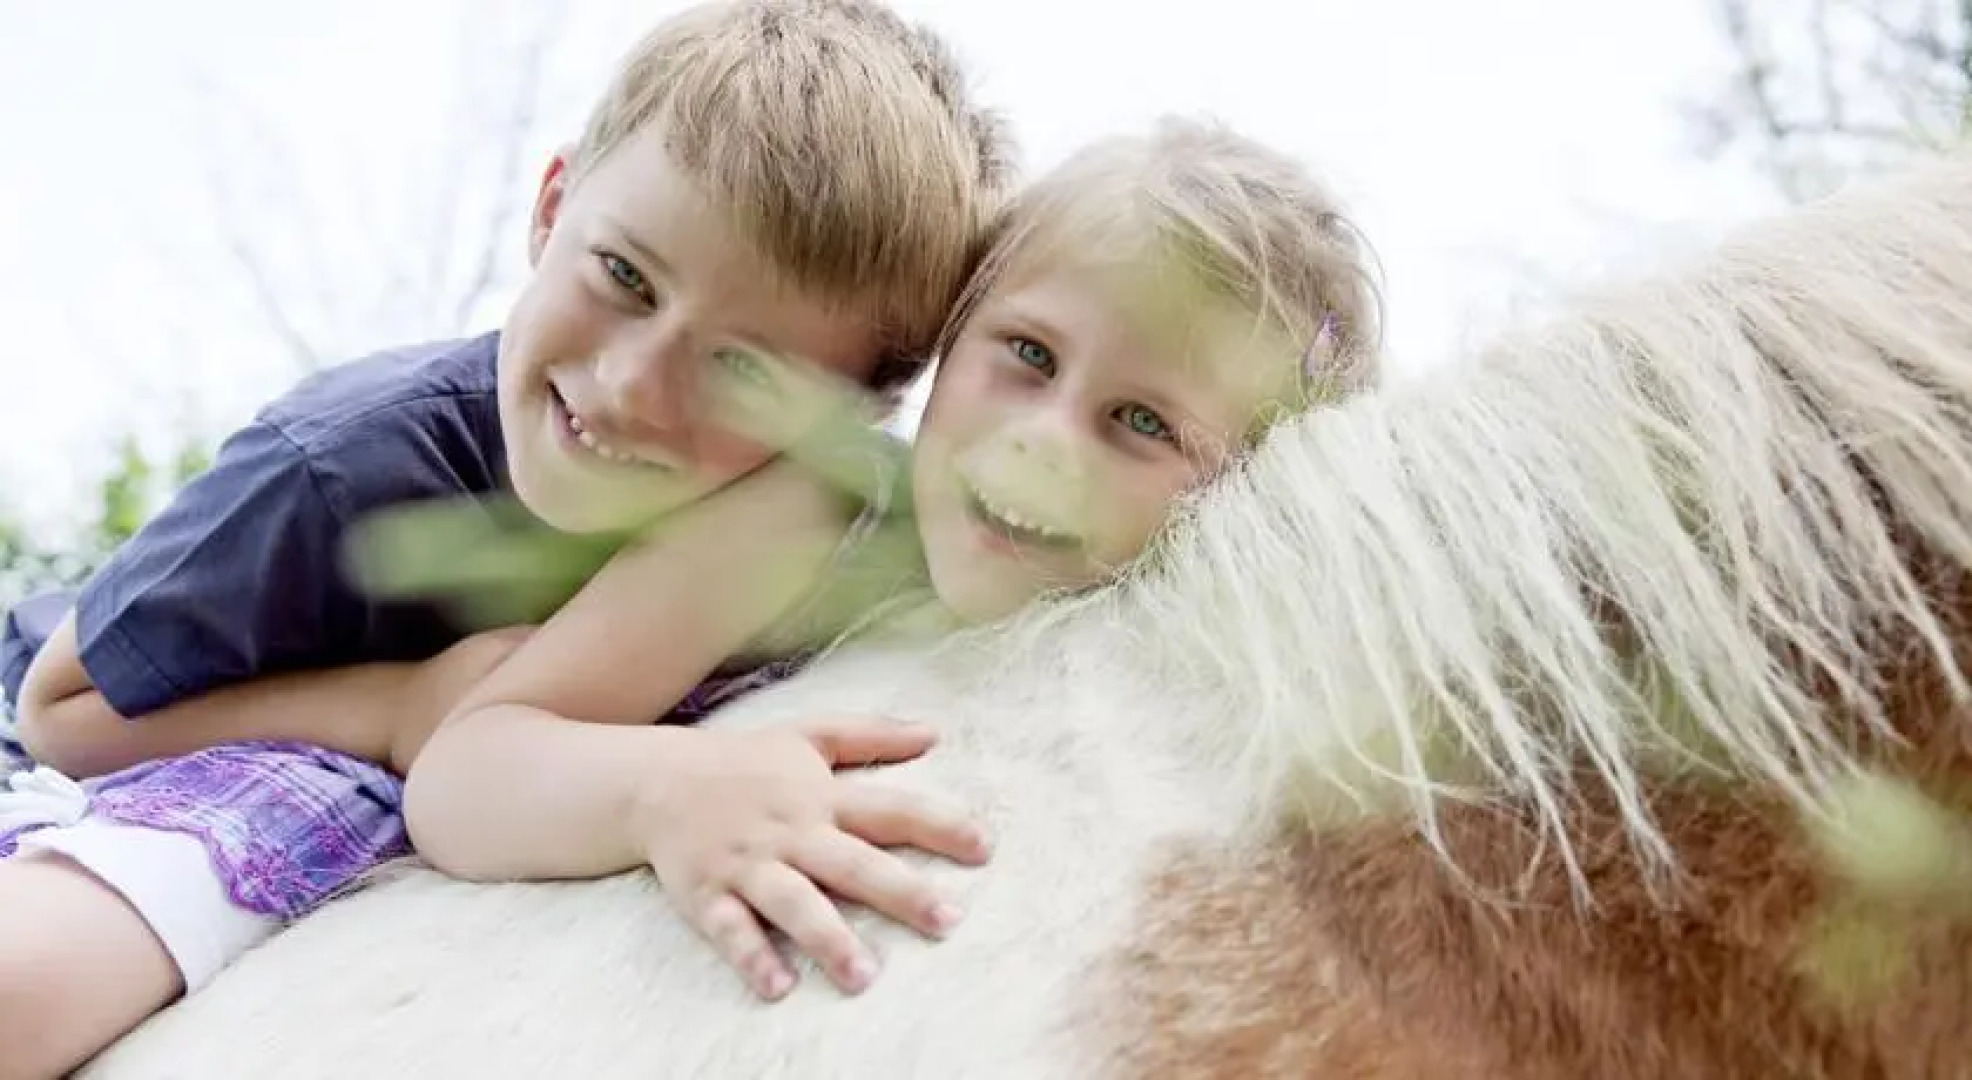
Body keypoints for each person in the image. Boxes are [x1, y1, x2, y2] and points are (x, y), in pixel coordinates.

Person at [0, 1, 1013, 1075]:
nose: (631, 385)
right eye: (625, 276)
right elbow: (63, 711)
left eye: (743, 369)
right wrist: (396, 708)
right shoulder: (343, 462)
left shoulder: (804, 508)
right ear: (552, 205)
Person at [402, 114, 1384, 1003]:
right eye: (1028, 354)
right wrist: (662, 790)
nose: (1042, 439)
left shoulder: (1176, 685)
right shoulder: (820, 516)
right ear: (954, 336)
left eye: (1141, 422)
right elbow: (463, 767)